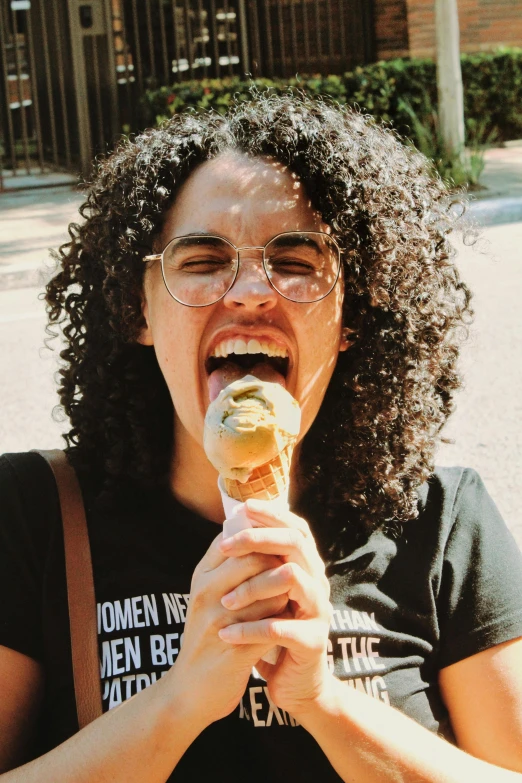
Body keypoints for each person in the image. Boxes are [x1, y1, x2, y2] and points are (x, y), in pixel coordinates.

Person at [1, 93, 521, 782]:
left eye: (297, 260)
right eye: (202, 259)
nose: (250, 291)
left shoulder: (442, 520)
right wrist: (182, 700)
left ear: (350, 316)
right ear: (139, 309)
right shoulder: (33, 514)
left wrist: (322, 699)